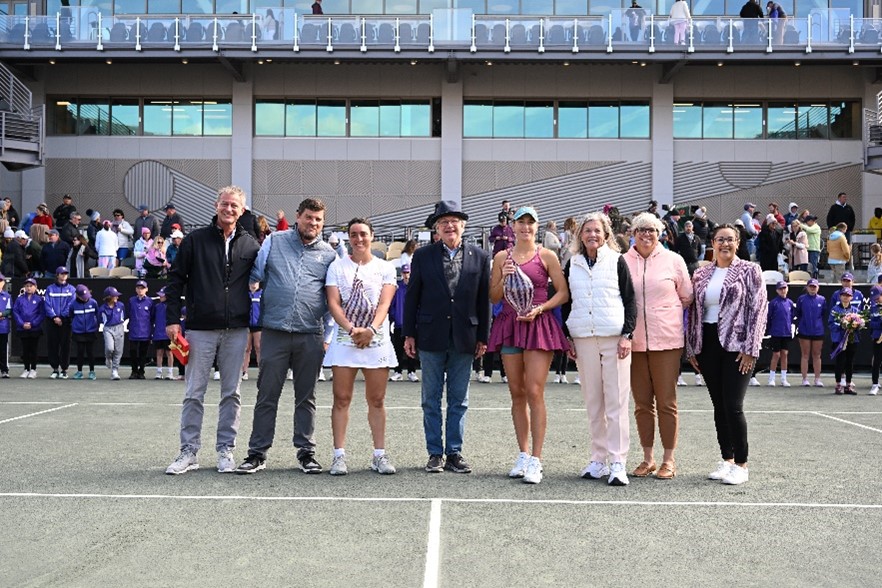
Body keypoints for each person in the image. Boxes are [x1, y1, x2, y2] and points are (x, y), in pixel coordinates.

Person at [234, 198, 336, 475]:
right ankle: (257, 453)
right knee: (267, 395)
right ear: (297, 216)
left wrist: (328, 336)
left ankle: (306, 452)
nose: (312, 223)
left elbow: (333, 299)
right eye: (308, 218)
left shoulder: (329, 254)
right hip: (274, 332)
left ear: (322, 223)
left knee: (307, 397)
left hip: (310, 335)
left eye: (318, 220)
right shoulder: (274, 241)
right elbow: (254, 275)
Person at [163, 186, 259, 475]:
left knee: (232, 393)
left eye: (235, 206)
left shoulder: (251, 245)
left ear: (242, 211)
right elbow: (175, 280)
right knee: (194, 392)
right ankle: (189, 451)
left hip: (236, 329)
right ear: (217, 205)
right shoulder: (195, 240)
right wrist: (172, 319)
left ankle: (225, 450)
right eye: (225, 204)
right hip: (200, 328)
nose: (229, 209)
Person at [403, 200, 491, 474]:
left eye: (454, 221)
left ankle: (454, 452)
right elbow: (412, 298)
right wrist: (409, 333)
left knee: (459, 399)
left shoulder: (480, 256)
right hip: (430, 335)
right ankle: (434, 453)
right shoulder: (422, 255)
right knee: (430, 398)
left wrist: (483, 337)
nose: (449, 226)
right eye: (443, 222)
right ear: (436, 229)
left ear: (462, 226)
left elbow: (483, 300)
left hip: (465, 336)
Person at [488, 206, 569, 485]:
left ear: (537, 228)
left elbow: (562, 292)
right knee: (517, 392)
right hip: (510, 326)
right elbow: (494, 296)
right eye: (520, 223)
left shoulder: (547, 256)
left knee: (534, 390)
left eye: (530, 223)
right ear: (513, 227)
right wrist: (503, 275)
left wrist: (541, 308)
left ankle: (536, 459)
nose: (525, 228)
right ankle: (522, 454)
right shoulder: (501, 257)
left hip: (538, 326)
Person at [686, 224, 767, 486]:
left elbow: (758, 310)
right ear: (712, 242)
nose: (725, 244)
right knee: (719, 406)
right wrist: (692, 347)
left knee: (733, 406)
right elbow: (694, 313)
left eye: (730, 240)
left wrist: (751, 349)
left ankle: (742, 464)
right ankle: (727, 460)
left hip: (737, 345)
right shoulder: (701, 273)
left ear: (738, 242)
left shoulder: (750, 270)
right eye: (720, 239)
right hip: (707, 344)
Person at [563, 211, 636, 486]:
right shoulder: (572, 264)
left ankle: (618, 462)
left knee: (616, 403)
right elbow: (567, 303)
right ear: (580, 235)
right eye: (587, 230)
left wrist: (627, 334)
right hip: (583, 339)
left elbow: (630, 300)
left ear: (606, 234)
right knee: (594, 403)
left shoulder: (617, 261)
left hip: (614, 339)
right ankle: (598, 460)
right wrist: (568, 335)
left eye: (597, 230)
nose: (592, 235)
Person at [323, 218, 399, 476]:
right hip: (346, 341)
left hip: (376, 342)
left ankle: (379, 455)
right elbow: (334, 303)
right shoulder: (336, 267)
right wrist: (352, 329)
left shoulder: (386, 267)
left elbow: (384, 304)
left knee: (376, 400)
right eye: (353, 234)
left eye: (363, 234)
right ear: (348, 238)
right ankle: (338, 456)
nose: (358, 239)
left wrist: (371, 330)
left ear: (371, 236)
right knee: (341, 399)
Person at [623, 212, 693, 480]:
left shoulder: (674, 260)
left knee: (666, 402)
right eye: (641, 229)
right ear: (633, 233)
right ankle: (647, 458)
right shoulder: (622, 261)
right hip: (633, 342)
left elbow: (686, 296)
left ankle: (669, 459)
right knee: (641, 404)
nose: (646, 234)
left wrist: (663, 314)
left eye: (652, 230)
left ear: (660, 233)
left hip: (667, 341)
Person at [43, 266, 76, 379]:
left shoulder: (71, 289)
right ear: (57, 275)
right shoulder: (50, 289)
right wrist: (54, 317)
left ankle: (64, 369)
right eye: (62, 273)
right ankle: (55, 369)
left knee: (66, 345)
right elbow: (47, 304)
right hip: (52, 321)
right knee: (53, 344)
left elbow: (71, 305)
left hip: (66, 322)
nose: (64, 275)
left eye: (65, 273)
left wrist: (62, 317)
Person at [389, 264, 419, 382]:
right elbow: (392, 305)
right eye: (405, 273)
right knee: (398, 348)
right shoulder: (397, 288)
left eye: (408, 273)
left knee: (412, 348)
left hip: (412, 324)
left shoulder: (416, 287)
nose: (406, 275)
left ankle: (412, 371)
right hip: (399, 323)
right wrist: (393, 319)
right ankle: (398, 371)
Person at [795, 279, 826, 387]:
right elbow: (798, 313)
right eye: (811, 286)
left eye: (814, 286)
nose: (812, 288)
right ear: (807, 287)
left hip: (818, 331)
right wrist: (802, 324)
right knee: (805, 354)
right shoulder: (801, 299)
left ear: (818, 288)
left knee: (817, 355)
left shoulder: (822, 300)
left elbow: (823, 314)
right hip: (804, 330)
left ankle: (817, 379)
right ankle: (804, 379)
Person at [13, 277, 44, 378]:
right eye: (27, 286)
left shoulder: (39, 299)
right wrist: (22, 324)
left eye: (31, 286)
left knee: (33, 350)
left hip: (34, 329)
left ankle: (33, 369)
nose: (29, 288)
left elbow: (41, 314)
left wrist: (33, 324)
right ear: (24, 287)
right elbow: (16, 312)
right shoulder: (20, 299)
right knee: (25, 350)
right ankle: (26, 369)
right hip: (23, 328)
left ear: (35, 287)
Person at [767, 281, 795, 387]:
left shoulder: (790, 303)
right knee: (776, 354)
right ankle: (771, 378)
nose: (783, 290)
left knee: (784, 354)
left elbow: (792, 317)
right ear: (777, 291)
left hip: (786, 333)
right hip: (776, 333)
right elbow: (769, 317)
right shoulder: (773, 303)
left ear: (787, 289)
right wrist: (770, 330)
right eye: (780, 289)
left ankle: (784, 379)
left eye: (784, 288)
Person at [70, 284, 99, 380]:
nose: (85, 299)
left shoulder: (93, 302)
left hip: (91, 331)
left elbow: (97, 314)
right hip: (78, 332)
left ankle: (92, 371)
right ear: (77, 295)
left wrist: (94, 326)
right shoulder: (73, 305)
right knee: (80, 352)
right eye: (83, 297)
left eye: (87, 297)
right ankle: (79, 371)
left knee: (90, 352)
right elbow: (71, 315)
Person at [127, 280, 154, 380]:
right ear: (135, 289)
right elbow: (129, 313)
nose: (140, 290)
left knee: (143, 353)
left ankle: (141, 371)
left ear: (146, 289)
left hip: (145, 331)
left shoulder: (150, 302)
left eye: (142, 288)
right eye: (138, 288)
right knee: (133, 352)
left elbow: (152, 317)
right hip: (134, 330)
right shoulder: (131, 300)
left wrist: (150, 331)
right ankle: (134, 371)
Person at [99, 286, 126, 381]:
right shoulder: (102, 308)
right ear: (109, 297)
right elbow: (100, 320)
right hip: (108, 329)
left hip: (119, 327)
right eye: (115, 296)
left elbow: (124, 316)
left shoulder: (121, 305)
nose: (117, 298)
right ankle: (108, 358)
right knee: (109, 348)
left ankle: (115, 370)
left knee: (118, 350)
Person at [242, 282, 262, 381]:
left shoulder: (262, 294)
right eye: (251, 282)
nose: (253, 284)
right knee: (246, 348)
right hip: (247, 325)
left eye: (256, 282)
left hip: (258, 325)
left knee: (259, 347)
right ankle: (244, 372)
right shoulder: (244, 294)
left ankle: (261, 372)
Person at [152, 287, 174, 380]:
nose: (160, 297)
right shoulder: (157, 307)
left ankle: (170, 372)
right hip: (158, 333)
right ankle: (159, 372)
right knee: (159, 352)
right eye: (160, 295)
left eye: (162, 295)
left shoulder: (171, 307)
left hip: (168, 333)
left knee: (169, 352)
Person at [869, 286, 882, 396]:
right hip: (877, 337)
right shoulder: (873, 307)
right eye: (874, 298)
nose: (876, 299)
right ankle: (875, 384)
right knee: (877, 361)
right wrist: (880, 324)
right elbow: (871, 323)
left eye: (878, 297)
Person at [0, 273, 10, 378]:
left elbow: (9, 309)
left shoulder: (7, 296)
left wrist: (2, 314)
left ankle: (4, 370)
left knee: (3, 349)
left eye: (0, 281)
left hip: (2, 327)